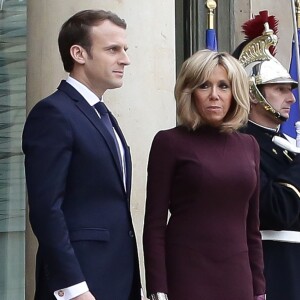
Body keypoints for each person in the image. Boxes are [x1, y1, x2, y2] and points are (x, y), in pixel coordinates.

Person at [22, 9, 141, 300]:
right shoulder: (53, 113)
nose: (125, 58)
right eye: (113, 49)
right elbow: (46, 210)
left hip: (118, 282)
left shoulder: (104, 116)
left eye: (124, 49)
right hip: (81, 286)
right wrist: (74, 288)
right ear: (78, 53)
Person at [143, 49, 266, 300]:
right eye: (204, 86)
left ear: (235, 93)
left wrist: (259, 288)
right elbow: (154, 225)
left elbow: (252, 227)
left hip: (238, 278)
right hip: (186, 276)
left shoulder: (249, 145)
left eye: (223, 86)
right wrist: (158, 290)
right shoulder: (169, 142)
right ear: (190, 92)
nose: (214, 96)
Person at [234, 11, 300, 300]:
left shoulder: (287, 145)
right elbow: (276, 210)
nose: (291, 98)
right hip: (274, 266)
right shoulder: (243, 142)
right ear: (252, 93)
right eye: (280, 89)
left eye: (291, 89)